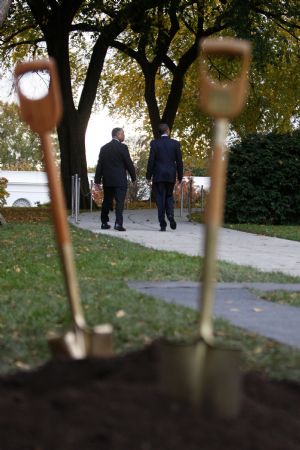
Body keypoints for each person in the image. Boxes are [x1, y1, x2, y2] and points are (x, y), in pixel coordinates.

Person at [94, 127, 136, 231]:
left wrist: (97, 181)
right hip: (120, 180)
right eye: (122, 134)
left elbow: (100, 165)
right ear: (117, 135)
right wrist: (133, 177)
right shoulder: (123, 148)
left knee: (107, 201)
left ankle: (104, 222)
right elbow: (128, 163)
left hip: (108, 180)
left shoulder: (104, 148)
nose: (124, 136)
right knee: (120, 202)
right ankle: (118, 224)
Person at [146, 123, 183, 231]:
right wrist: (180, 176)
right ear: (168, 130)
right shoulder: (175, 144)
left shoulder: (154, 143)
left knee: (160, 198)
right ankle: (170, 215)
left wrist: (148, 176)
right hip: (170, 175)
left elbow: (151, 161)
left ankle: (162, 224)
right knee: (169, 196)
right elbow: (179, 162)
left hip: (158, 175)